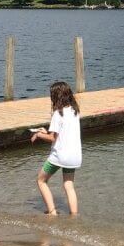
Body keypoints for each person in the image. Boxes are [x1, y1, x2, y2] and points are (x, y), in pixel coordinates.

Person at [30, 81, 82, 215]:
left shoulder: (57, 114)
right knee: (69, 185)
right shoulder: (74, 111)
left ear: (55, 97)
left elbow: (53, 138)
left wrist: (39, 135)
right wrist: (46, 131)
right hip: (74, 156)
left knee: (41, 180)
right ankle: (74, 216)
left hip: (60, 156)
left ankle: (52, 212)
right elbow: (62, 133)